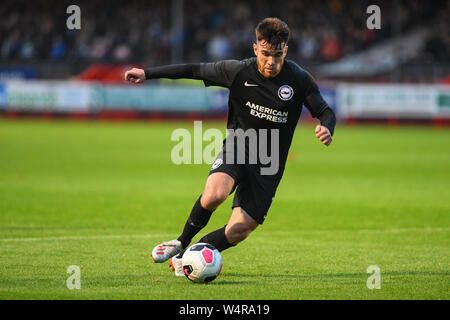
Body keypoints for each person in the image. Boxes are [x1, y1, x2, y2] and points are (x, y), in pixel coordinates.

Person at [124, 17, 336, 276]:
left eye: (278, 55)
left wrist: (327, 127)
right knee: (214, 195)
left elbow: (325, 111)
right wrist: (148, 73)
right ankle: (181, 242)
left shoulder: (299, 79)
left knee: (240, 230)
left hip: (269, 163)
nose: (272, 61)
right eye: (266, 54)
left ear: (286, 51)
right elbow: (193, 70)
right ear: (256, 48)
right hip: (239, 147)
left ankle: (192, 256)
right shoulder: (237, 71)